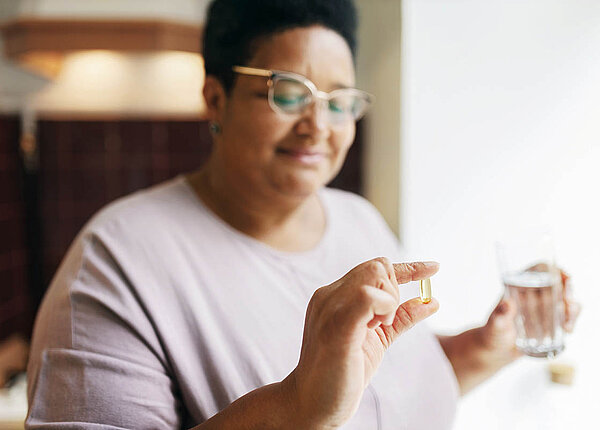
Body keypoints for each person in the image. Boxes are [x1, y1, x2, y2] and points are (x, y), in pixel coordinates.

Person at [25, 0, 580, 429]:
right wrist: (296, 409)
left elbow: (385, 401)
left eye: (339, 101)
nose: (320, 125)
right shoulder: (115, 263)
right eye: (289, 92)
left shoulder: (358, 220)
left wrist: (481, 350)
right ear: (215, 99)